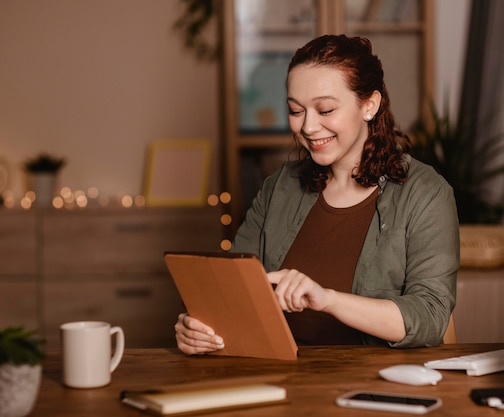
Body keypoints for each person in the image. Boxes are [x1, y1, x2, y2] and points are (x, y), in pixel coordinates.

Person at [175, 34, 459, 353]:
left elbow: (430, 316)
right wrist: (200, 327)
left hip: (373, 386)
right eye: (296, 111)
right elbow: (233, 290)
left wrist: (328, 300)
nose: (308, 127)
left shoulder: (426, 194)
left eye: (325, 110)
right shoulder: (279, 185)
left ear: (369, 105)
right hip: (278, 378)